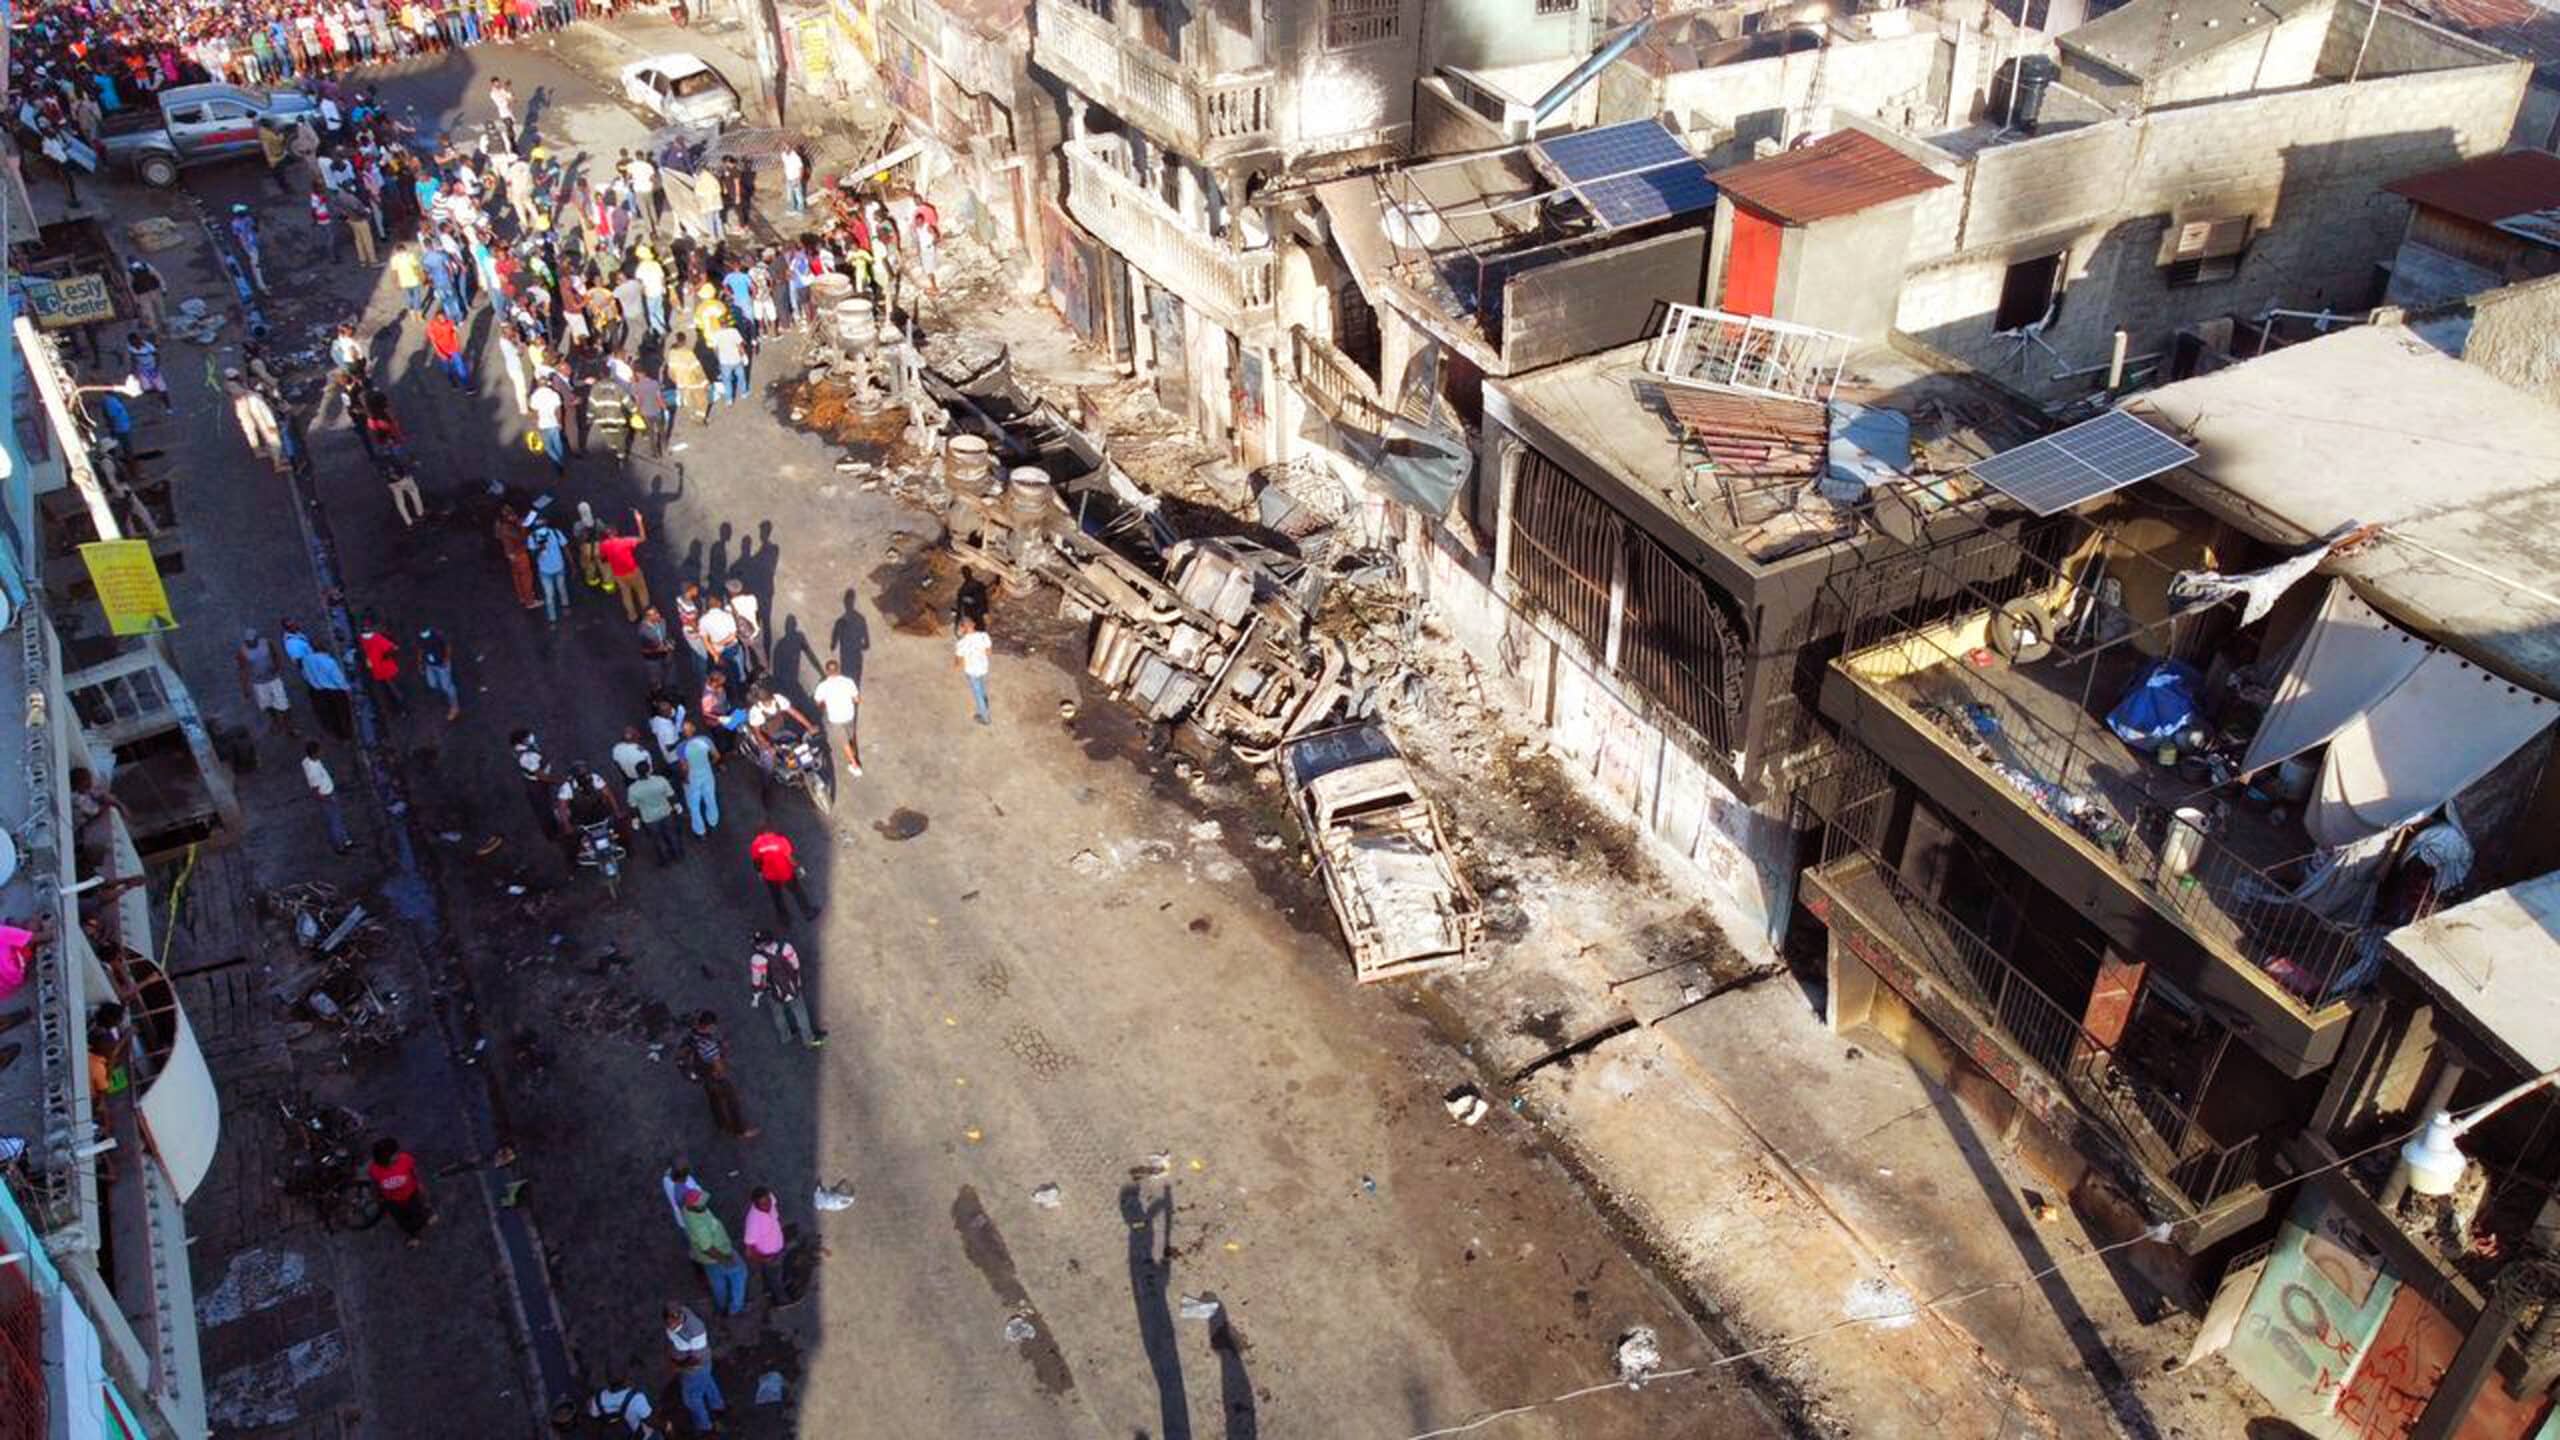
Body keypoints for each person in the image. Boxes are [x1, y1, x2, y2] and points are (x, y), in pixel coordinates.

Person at [677, 1010, 757, 1139]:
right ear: (709, 1026)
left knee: (713, 1097)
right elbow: (718, 1066)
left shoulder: (692, 1035)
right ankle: (740, 1130)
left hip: (700, 1073)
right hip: (712, 1075)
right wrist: (722, 1061)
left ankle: (720, 1123)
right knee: (732, 1100)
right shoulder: (708, 1046)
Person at [680, 1187, 749, 1316]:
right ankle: (736, 1308)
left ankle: (721, 1306)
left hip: (707, 1261)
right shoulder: (699, 1226)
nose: (704, 1203)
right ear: (693, 1206)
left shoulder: (687, 1210)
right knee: (740, 1274)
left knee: (718, 1284)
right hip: (719, 1255)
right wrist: (726, 1259)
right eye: (700, 1202)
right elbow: (707, 1248)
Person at [748, 930, 820, 1048]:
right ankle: (808, 1040)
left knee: (778, 1014)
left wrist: (756, 994)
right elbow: (796, 965)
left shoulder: (756, 959)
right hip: (792, 987)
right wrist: (796, 982)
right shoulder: (786, 947)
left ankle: (785, 1037)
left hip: (773, 991)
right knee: (801, 1013)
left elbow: (756, 980)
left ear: (760, 945)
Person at [285, 624, 358, 739]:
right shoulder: (328, 662)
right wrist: (347, 689)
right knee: (343, 714)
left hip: (319, 692)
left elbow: (306, 674)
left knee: (331, 714)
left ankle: (337, 733)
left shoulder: (307, 660)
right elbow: (338, 679)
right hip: (335, 692)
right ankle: (347, 734)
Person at [663, 1303, 723, 1434]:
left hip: (695, 1367)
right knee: (706, 1381)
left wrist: (678, 1367)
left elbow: (697, 1360)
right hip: (690, 1363)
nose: (670, 1327)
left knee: (691, 1398)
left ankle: (705, 1427)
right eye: (668, 1324)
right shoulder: (676, 1313)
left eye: (673, 1324)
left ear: (680, 1318)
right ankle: (717, 1406)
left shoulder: (696, 1330)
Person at [367, 1137, 433, 1247]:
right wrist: (377, 1197)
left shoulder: (405, 1160)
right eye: (394, 1154)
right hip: (393, 1202)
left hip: (411, 1194)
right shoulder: (375, 1170)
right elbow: (375, 1185)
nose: (397, 1155)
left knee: (418, 1208)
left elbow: (414, 1172)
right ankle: (414, 1234)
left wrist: (419, 1185)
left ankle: (425, 1217)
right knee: (403, 1220)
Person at [749, 826, 818, 926]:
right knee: (797, 892)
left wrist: (759, 872)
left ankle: (784, 920)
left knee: (777, 898)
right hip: (786, 873)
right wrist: (798, 867)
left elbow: (756, 861)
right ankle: (808, 913)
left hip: (770, 876)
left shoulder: (756, 844)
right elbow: (789, 857)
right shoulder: (781, 840)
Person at [237, 628, 299, 736]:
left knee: (283, 704)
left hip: (273, 679)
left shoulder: (267, 643)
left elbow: (276, 654)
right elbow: (242, 669)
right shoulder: (242, 651)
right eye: (248, 642)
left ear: (257, 638)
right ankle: (276, 721)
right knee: (267, 705)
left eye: (253, 640)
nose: (251, 643)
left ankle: (290, 726)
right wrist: (245, 687)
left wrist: (278, 667)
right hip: (258, 683)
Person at [742, 1187, 797, 1307]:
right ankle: (782, 1300)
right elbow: (749, 1251)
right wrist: (764, 1259)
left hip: (778, 1246)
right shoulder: (753, 1222)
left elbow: (772, 1204)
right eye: (763, 1204)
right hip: (769, 1256)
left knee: (773, 1273)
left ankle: (768, 1289)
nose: (768, 1205)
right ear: (755, 1204)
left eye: (768, 1201)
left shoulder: (770, 1199)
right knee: (775, 1279)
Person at [303, 741, 355, 853]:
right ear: (314, 754)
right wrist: (329, 800)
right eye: (319, 751)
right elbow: (315, 793)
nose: (322, 752)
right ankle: (339, 846)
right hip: (327, 796)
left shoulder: (307, 761)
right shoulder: (313, 772)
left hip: (330, 792)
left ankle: (346, 841)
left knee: (338, 818)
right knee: (335, 822)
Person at [812, 659, 861, 776]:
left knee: (844, 742)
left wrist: (824, 706)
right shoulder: (848, 682)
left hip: (835, 718)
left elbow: (818, 702)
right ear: (838, 669)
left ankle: (854, 765)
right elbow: (857, 700)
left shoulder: (822, 686)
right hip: (849, 715)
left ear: (827, 672)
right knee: (850, 736)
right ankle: (854, 753)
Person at [228, 371, 286, 470]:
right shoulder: (254, 397)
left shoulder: (247, 393)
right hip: (257, 417)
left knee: (262, 436)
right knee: (271, 440)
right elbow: (265, 414)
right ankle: (277, 463)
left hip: (252, 414)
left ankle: (265, 453)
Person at [628, 760, 683, 864]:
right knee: (672, 835)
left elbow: (633, 807)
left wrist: (635, 819)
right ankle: (678, 855)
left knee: (658, 840)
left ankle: (665, 860)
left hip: (649, 819)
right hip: (666, 813)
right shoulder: (660, 780)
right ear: (649, 770)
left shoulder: (633, 789)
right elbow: (671, 795)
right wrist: (676, 805)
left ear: (637, 773)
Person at [598, 513, 650, 622]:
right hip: (632, 570)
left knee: (626, 595)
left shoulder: (604, 545)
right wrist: (639, 521)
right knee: (642, 592)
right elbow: (642, 538)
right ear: (616, 532)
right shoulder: (625, 541)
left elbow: (603, 557)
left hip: (619, 574)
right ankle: (647, 614)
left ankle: (632, 616)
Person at [585, 1368, 659, 1437]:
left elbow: (593, 1421)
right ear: (625, 1378)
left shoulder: (596, 1399)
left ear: (607, 1378)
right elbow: (650, 1421)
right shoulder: (637, 1398)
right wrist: (667, 1426)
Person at [357, 616, 408, 715]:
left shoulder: (363, 640)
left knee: (387, 691)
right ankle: (402, 710)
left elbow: (367, 654)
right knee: (395, 690)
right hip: (387, 669)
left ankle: (396, 710)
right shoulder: (377, 638)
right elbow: (393, 648)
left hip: (377, 672)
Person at [527, 510, 572, 622]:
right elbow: (533, 555)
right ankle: (552, 618)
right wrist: (540, 548)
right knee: (550, 595)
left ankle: (565, 606)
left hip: (557, 568)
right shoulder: (532, 538)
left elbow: (565, 547)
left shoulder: (555, 532)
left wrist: (571, 563)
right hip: (545, 571)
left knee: (560, 589)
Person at [497, 503, 541, 611]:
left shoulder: (500, 526)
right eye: (512, 516)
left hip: (511, 555)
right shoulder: (509, 529)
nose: (515, 517)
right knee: (526, 577)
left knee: (517, 576)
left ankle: (523, 596)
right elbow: (521, 538)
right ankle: (530, 601)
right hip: (519, 554)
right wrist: (523, 527)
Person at [681, 721, 720, 836]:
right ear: (694, 729)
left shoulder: (682, 747)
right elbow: (717, 756)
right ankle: (713, 822)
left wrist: (685, 778)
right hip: (707, 773)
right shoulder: (705, 740)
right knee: (710, 799)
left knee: (694, 805)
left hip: (693, 777)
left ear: (682, 733)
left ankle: (700, 831)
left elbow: (684, 767)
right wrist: (709, 764)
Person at [954, 613, 993, 726]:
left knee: (977, 692)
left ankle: (985, 717)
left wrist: (956, 665)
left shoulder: (961, 643)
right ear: (974, 624)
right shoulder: (984, 636)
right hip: (983, 667)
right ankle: (985, 701)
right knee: (981, 683)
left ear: (962, 628)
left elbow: (960, 663)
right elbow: (988, 652)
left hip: (972, 671)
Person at [418, 628, 462, 720]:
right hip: (430, 665)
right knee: (432, 684)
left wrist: (446, 659)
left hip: (442, 665)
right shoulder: (420, 637)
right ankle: (446, 693)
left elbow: (447, 646)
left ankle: (455, 708)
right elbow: (421, 650)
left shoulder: (437, 635)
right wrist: (420, 663)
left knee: (447, 687)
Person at [425, 307, 469, 388]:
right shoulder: (432, 326)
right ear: (437, 319)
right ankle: (452, 380)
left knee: (460, 366)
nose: (443, 319)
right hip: (442, 350)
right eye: (441, 318)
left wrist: (457, 344)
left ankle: (467, 385)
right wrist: (441, 353)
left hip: (453, 348)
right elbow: (434, 342)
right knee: (447, 368)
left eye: (444, 317)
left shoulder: (450, 322)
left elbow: (454, 333)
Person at [529, 379, 567, 472]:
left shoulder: (534, 397)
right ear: (548, 384)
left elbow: (535, 412)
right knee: (557, 443)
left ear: (538, 385)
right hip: (554, 423)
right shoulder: (554, 394)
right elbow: (558, 411)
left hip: (543, 424)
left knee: (548, 446)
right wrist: (560, 422)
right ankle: (560, 459)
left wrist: (535, 423)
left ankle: (558, 462)